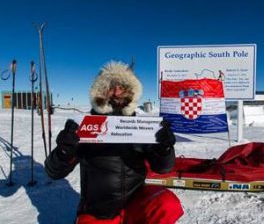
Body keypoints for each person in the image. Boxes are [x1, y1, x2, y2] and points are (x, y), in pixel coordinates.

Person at [44, 61, 184, 224]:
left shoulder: (143, 128)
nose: (117, 91)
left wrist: (165, 148)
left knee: (168, 204)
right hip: (99, 211)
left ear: (131, 92)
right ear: (101, 91)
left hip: (135, 202)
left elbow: (163, 168)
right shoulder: (85, 126)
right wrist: (64, 150)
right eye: (111, 86)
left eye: (123, 87)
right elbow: (53, 172)